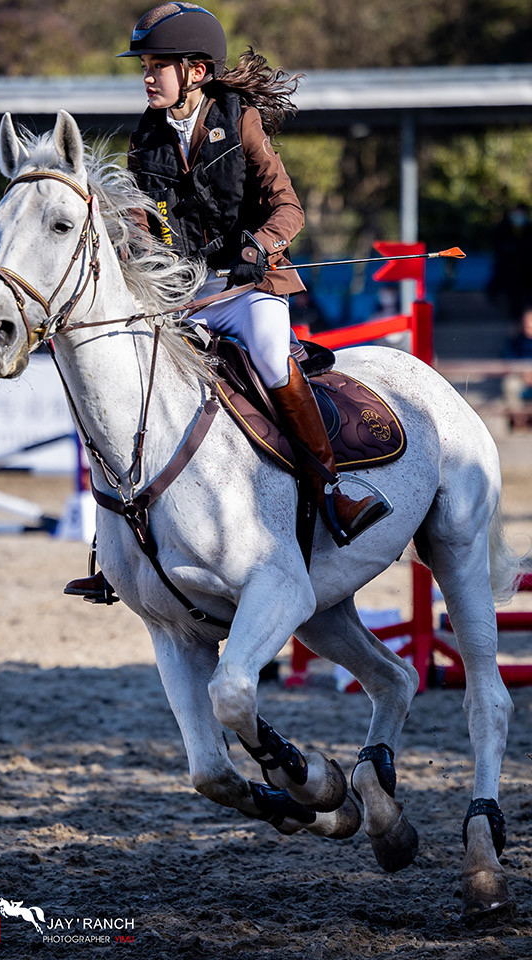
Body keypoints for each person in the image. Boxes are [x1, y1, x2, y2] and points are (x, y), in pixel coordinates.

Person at [65, 2, 388, 598]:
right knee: (131, 376)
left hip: (250, 287)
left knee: (269, 354)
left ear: (195, 70)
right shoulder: (146, 136)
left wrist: (261, 246)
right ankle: (111, 543)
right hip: (187, 293)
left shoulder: (239, 121)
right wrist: (130, 239)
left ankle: (334, 489)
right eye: (146, 64)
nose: (147, 74)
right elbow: (146, 219)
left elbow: (288, 208)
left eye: (157, 64)